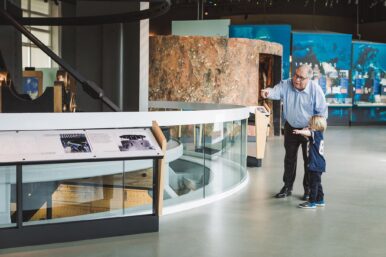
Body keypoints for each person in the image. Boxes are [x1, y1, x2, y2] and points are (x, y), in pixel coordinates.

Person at [261, 64, 327, 199]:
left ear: (309, 78)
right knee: (289, 159)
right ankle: (287, 187)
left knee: (309, 161)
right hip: (291, 128)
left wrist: (312, 130)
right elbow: (275, 91)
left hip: (308, 130)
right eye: (295, 75)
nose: (296, 79)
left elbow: (322, 114)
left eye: (301, 77)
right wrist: (267, 92)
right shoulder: (286, 84)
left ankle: (308, 190)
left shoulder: (316, 90)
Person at [293, 115, 327, 209]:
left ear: (316, 125)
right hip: (317, 163)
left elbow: (309, 133)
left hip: (315, 164)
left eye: (310, 124)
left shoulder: (317, 134)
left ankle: (312, 202)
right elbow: (308, 134)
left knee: (313, 184)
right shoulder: (317, 135)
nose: (309, 125)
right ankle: (320, 200)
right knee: (317, 183)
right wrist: (303, 132)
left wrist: (300, 131)